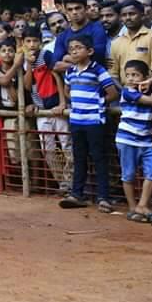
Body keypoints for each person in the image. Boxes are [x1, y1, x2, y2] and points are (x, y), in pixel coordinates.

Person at [59, 35, 119, 212]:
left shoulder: (97, 70)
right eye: (71, 49)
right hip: (77, 120)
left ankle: (103, 197)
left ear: (90, 51)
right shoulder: (70, 71)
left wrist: (97, 103)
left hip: (94, 121)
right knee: (79, 157)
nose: (74, 51)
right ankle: (77, 194)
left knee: (99, 158)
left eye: (78, 47)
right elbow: (67, 91)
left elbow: (113, 93)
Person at [21, 26, 71, 194]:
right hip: (41, 109)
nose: (32, 44)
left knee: (66, 145)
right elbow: (27, 85)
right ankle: (61, 183)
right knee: (47, 149)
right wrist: (28, 64)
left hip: (56, 106)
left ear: (40, 42)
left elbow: (57, 76)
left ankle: (70, 181)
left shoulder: (47, 56)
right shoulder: (24, 61)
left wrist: (63, 102)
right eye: (28, 41)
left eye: (35, 41)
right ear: (23, 43)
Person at [117, 59, 152, 224]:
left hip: (145, 141)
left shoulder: (149, 92)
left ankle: (142, 204)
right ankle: (133, 207)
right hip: (127, 140)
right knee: (128, 174)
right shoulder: (127, 92)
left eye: (135, 75)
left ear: (145, 77)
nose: (131, 78)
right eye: (128, 75)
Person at [51, 0, 110, 70]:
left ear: (85, 9)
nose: (74, 12)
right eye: (70, 9)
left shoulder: (97, 29)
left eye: (78, 8)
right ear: (66, 12)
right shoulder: (62, 36)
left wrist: (67, 58)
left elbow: (96, 60)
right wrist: (81, 63)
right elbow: (55, 65)